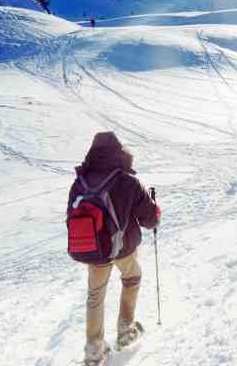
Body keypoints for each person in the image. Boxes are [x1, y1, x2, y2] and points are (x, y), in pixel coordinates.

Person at [68, 131, 160, 365]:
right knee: (132, 277)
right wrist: (155, 210)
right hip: (123, 249)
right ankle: (125, 329)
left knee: (95, 295)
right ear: (118, 152)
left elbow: (71, 216)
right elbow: (149, 219)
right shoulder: (127, 181)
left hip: (94, 250)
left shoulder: (80, 182)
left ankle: (94, 350)